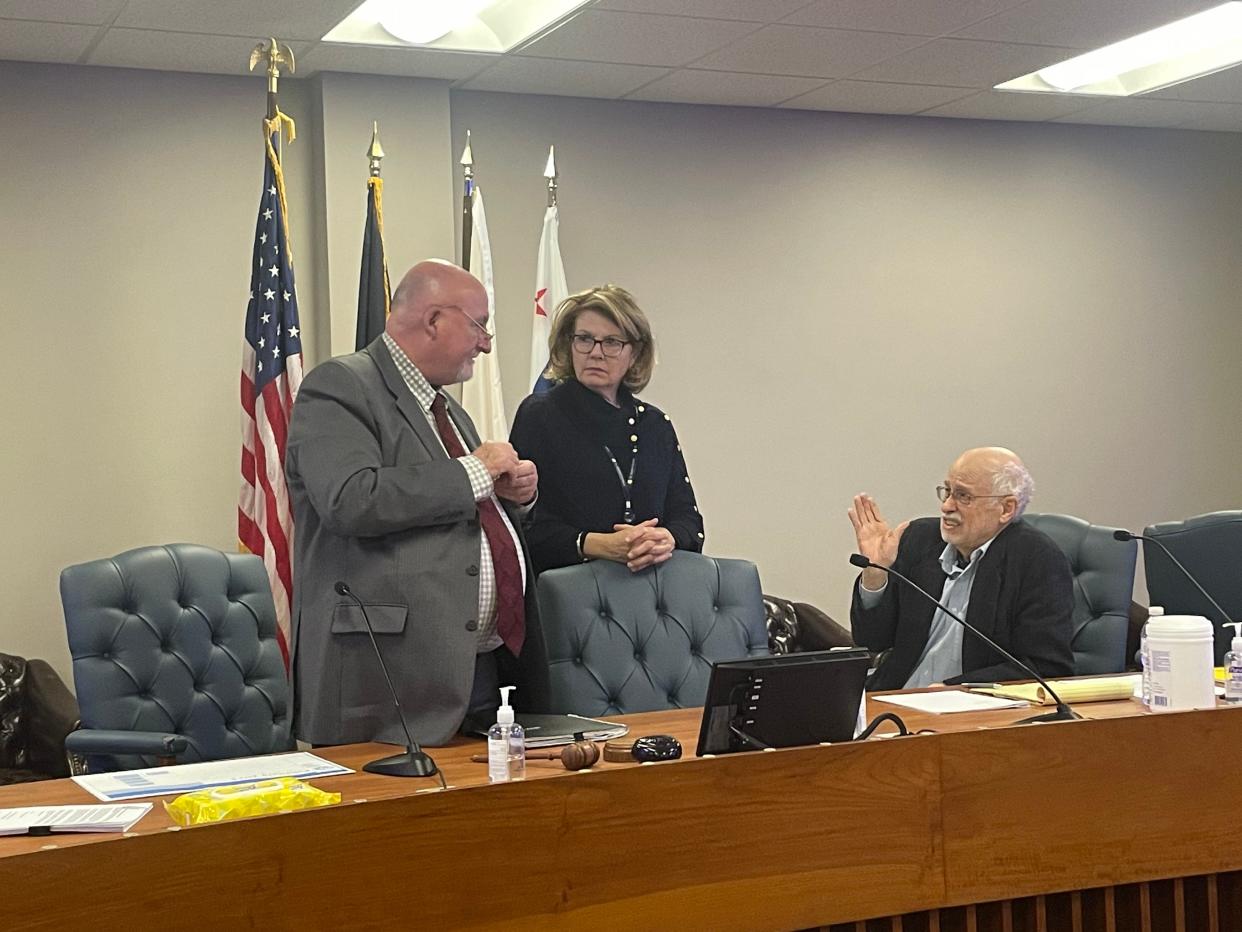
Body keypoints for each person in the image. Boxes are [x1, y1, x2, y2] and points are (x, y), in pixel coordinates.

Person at [285, 259, 545, 747]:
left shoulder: (450, 412)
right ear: (433, 321)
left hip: (473, 672)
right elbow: (350, 498)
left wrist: (512, 497)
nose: (486, 343)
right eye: (479, 326)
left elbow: (459, 512)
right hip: (386, 680)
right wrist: (476, 471)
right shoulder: (339, 386)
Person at [509, 284, 704, 574]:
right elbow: (521, 523)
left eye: (612, 342)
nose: (596, 353)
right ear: (569, 344)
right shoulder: (541, 415)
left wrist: (667, 538)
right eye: (585, 339)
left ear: (635, 354)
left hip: (653, 593)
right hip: (571, 592)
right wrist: (596, 544)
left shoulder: (655, 425)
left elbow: (689, 520)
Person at [848, 446, 1073, 690]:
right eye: (947, 491)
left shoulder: (1037, 560)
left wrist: (956, 688)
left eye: (963, 496)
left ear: (1006, 509)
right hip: (893, 698)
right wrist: (876, 573)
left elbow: (1046, 666)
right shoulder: (919, 539)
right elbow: (872, 641)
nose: (946, 506)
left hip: (972, 713)